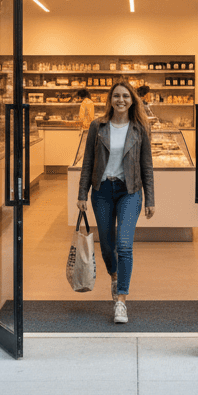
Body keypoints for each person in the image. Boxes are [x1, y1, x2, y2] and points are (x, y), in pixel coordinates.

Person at [76, 81, 156, 324]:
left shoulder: (139, 128)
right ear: (110, 100)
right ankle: (114, 275)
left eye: (125, 96)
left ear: (133, 100)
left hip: (129, 191)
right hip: (101, 190)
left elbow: (147, 166)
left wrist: (150, 198)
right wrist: (82, 193)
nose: (121, 100)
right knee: (108, 246)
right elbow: (88, 161)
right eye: (116, 96)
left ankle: (121, 300)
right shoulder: (97, 126)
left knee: (124, 245)